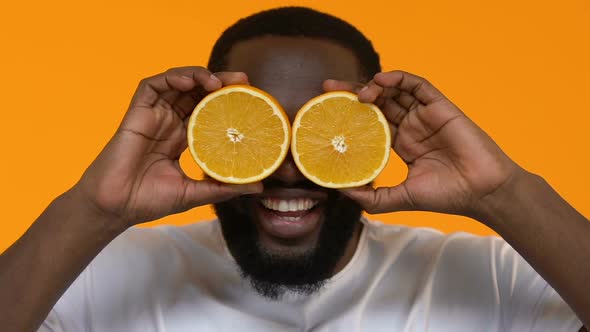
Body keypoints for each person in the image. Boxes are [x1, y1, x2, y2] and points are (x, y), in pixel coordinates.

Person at [0, 6, 587, 332]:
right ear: (206, 128)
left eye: (319, 129)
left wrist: (502, 191)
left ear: (374, 131)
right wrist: (94, 208)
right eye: (259, 129)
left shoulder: (493, 282)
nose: (287, 171)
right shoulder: (100, 279)